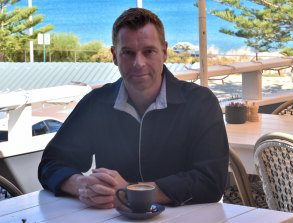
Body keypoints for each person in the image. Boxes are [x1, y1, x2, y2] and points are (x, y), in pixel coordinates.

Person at [38, 8, 229, 209]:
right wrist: (82, 185)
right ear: (114, 55)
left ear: (164, 52)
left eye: (148, 51)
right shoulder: (97, 103)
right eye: (128, 53)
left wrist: (131, 192)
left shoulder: (200, 102)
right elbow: (51, 164)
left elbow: (211, 181)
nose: (139, 63)